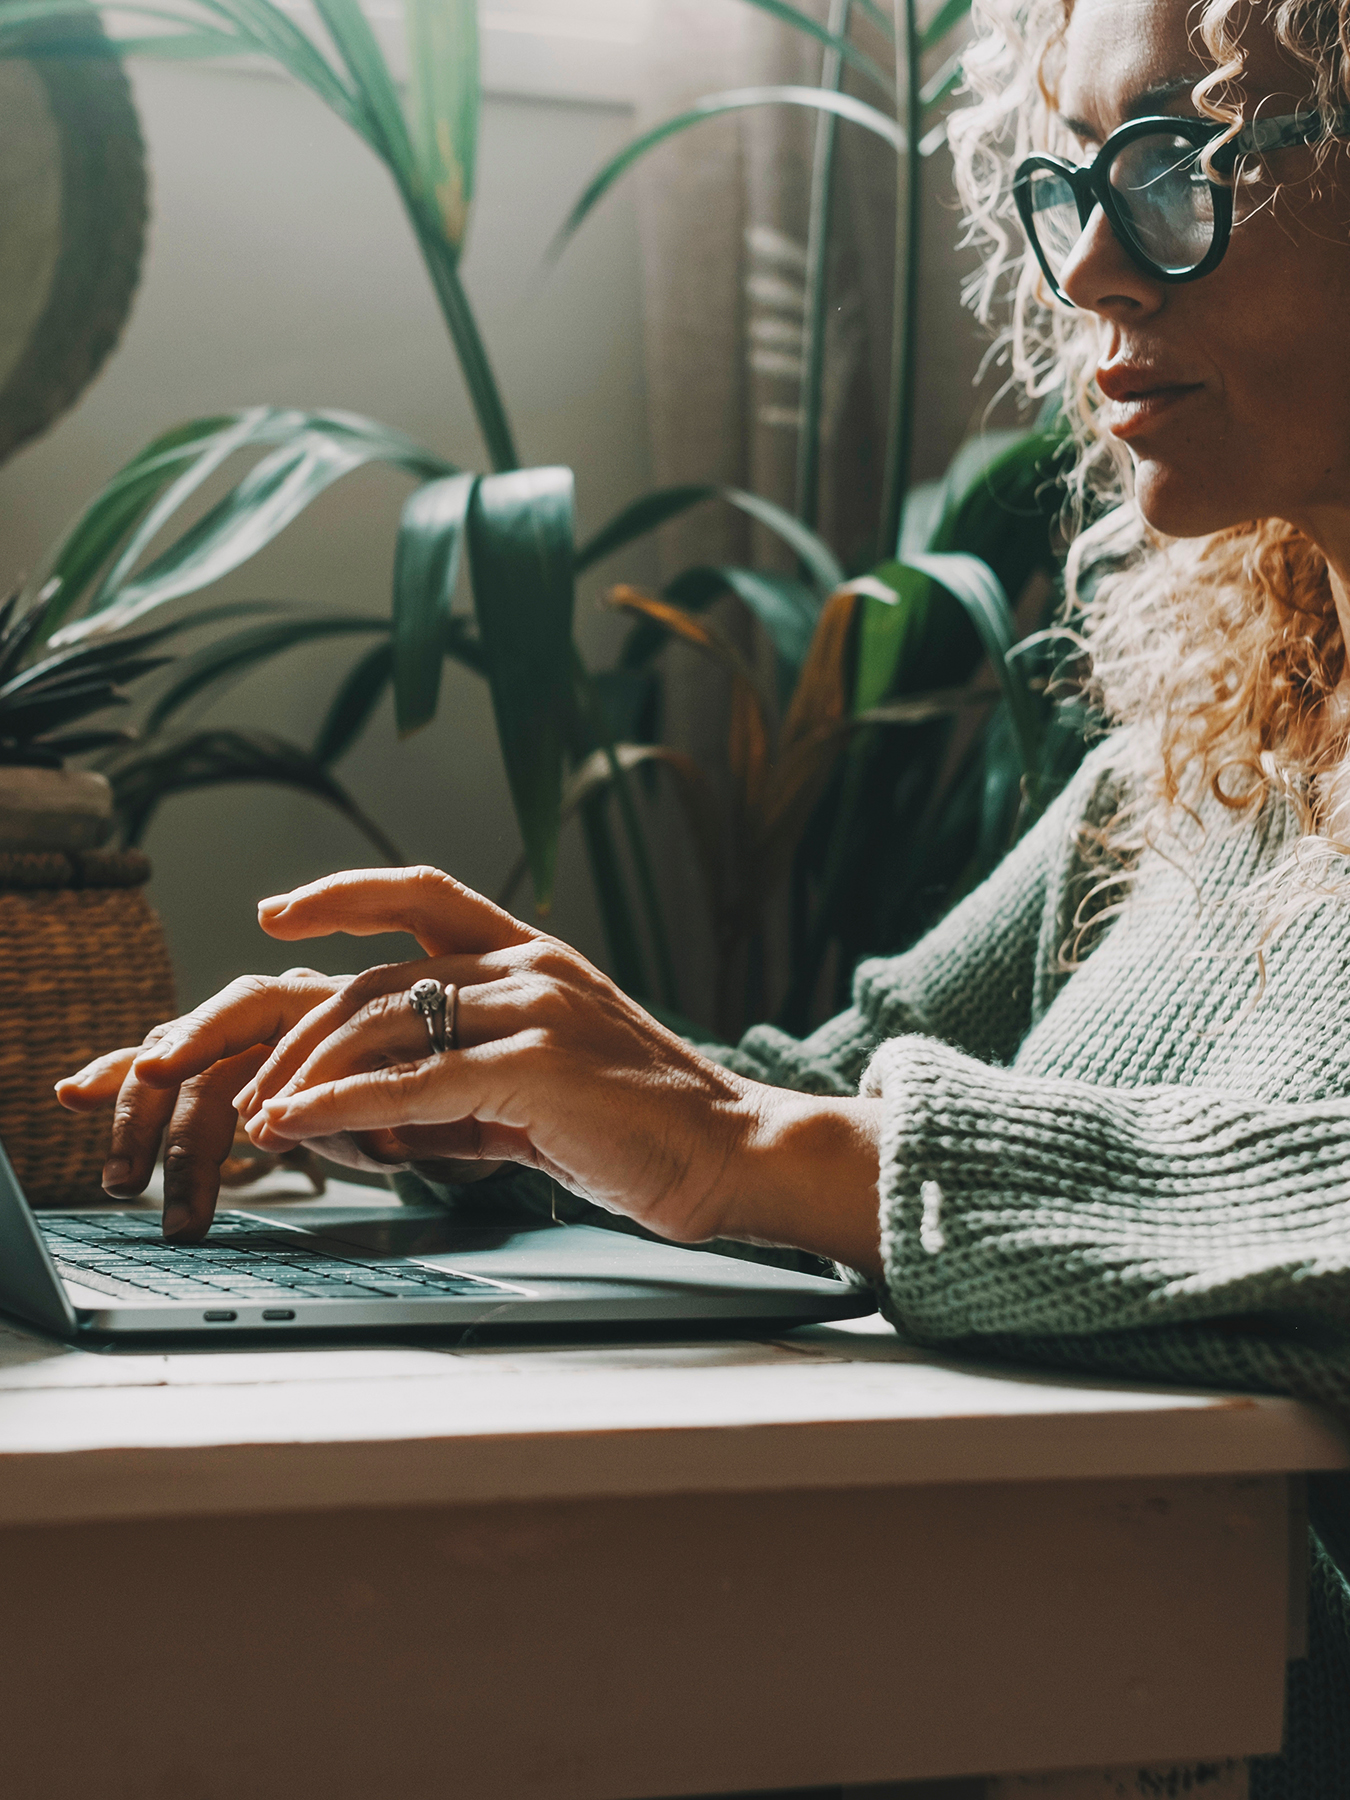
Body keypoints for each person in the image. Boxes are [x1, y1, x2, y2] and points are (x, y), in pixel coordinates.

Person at [55, 0, 1350, 1788]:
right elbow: (842, 1078)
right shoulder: (1211, 734)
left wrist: (747, 1144)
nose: (1096, 271)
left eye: (1176, 167)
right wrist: (503, 1096)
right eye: (1066, 186)